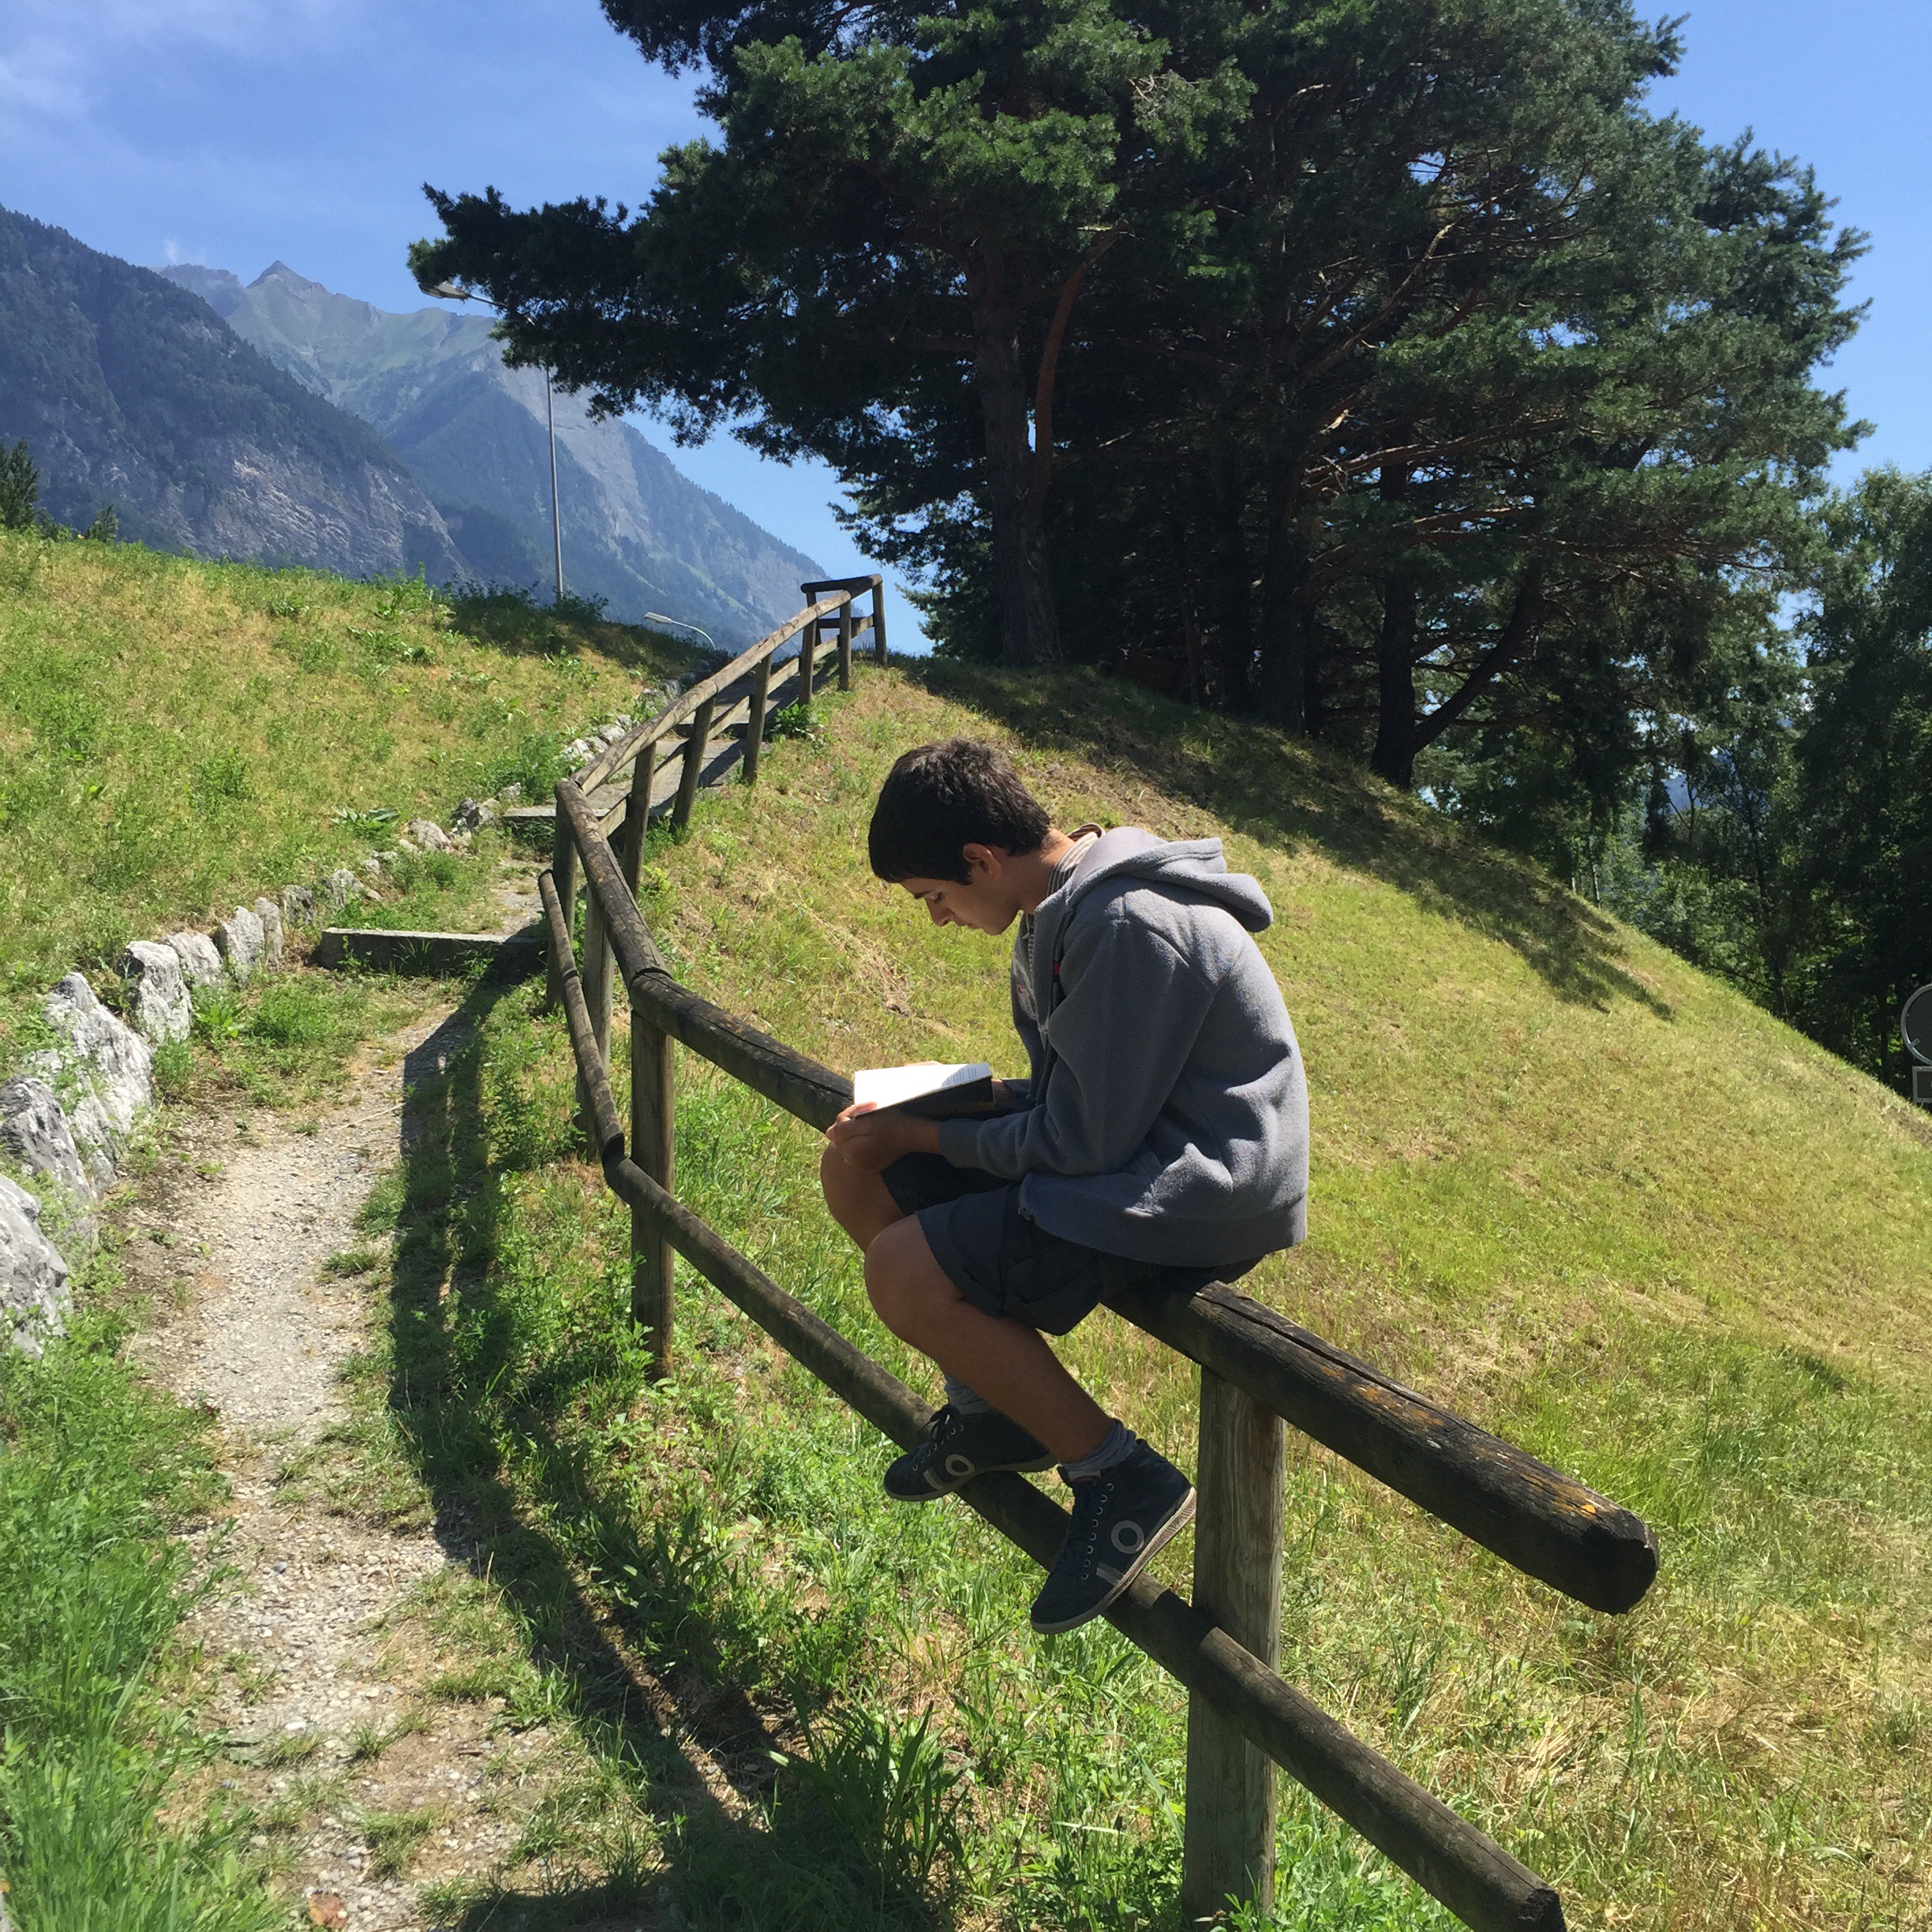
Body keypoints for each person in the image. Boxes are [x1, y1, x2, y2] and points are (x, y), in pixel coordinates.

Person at [819, 738, 1309, 1634]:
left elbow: (1079, 1139)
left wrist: (925, 1131)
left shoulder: (1125, 924)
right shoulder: (1055, 908)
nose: (937, 919)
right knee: (856, 1163)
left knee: (902, 1270)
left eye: (933, 896)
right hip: (1134, 1151)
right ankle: (997, 1415)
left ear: (981, 858)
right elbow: (1076, 1095)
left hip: (1201, 1186)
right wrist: (951, 1107)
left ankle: (1120, 1477)